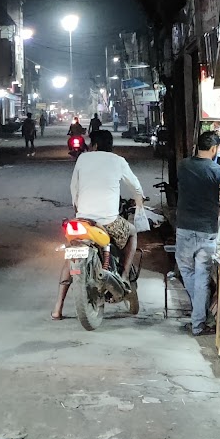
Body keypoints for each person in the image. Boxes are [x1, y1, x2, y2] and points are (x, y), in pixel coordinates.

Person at [53, 130, 145, 319]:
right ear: (111, 146)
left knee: (71, 257)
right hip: (108, 221)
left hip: (82, 221)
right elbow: (135, 186)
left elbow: (74, 188)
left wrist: (77, 208)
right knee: (132, 233)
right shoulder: (118, 161)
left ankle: (57, 308)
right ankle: (125, 276)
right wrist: (139, 201)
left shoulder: (82, 159)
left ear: (93, 145)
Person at [174, 130, 220, 337]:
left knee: (188, 272)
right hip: (206, 232)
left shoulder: (183, 165)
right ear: (214, 149)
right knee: (202, 277)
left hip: (184, 228)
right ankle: (198, 323)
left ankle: (198, 319)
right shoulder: (218, 171)